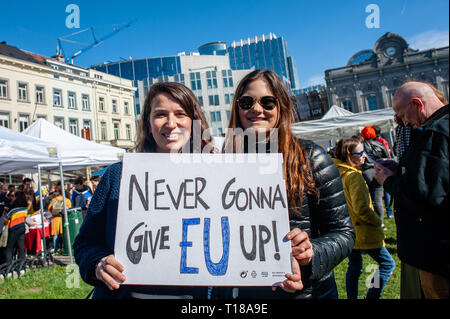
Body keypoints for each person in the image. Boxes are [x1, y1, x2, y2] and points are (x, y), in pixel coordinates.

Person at [75, 82, 287, 299]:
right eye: (160, 114)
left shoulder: (221, 174)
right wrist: (97, 264)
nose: (171, 123)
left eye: (180, 114)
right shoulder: (117, 176)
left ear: (194, 122)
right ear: (148, 123)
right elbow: (85, 243)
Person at [222, 70, 355, 299]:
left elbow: (344, 233)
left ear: (281, 106)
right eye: (246, 102)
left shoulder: (312, 158)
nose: (256, 109)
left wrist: (312, 252)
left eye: (267, 102)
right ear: (237, 108)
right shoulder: (220, 163)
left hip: (307, 293)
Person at [375, 81, 449, 299]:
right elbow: (434, 178)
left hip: (436, 253)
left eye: (402, 115)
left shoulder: (435, 133)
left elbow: (424, 194)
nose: (404, 122)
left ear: (417, 104)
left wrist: (388, 181)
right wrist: (400, 171)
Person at [333, 138, 395, 298]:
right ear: (349, 156)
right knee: (387, 264)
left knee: (354, 266)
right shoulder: (354, 176)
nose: (364, 156)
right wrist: (377, 222)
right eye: (359, 153)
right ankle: (372, 295)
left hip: (348, 229)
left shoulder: (335, 171)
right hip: (363, 229)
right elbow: (361, 208)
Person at [360, 126, 390, 229]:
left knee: (367, 199)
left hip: (366, 172)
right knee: (377, 200)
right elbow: (387, 158)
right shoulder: (379, 144)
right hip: (378, 171)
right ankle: (380, 223)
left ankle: (371, 222)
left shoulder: (361, 146)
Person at [3, 191, 29, 264]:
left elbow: (5, 220)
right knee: (21, 248)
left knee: (9, 248)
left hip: (13, 229)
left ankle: (9, 266)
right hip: (22, 228)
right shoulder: (25, 209)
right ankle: (21, 266)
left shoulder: (13, 209)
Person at [48, 184, 72, 253]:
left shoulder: (54, 199)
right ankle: (65, 249)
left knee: (55, 236)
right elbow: (70, 208)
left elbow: (49, 208)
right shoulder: (67, 200)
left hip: (55, 219)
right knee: (64, 235)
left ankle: (55, 250)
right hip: (63, 219)